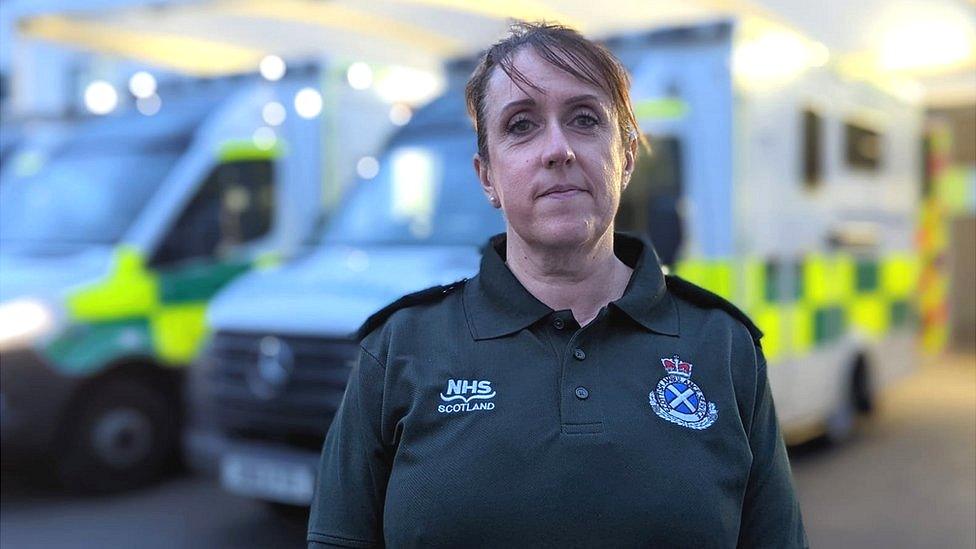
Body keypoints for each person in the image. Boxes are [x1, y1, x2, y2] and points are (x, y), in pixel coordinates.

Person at [307, 21, 807, 548]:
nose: (558, 149)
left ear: (627, 159)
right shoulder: (398, 350)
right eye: (521, 125)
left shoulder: (724, 348)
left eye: (585, 119)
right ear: (487, 177)